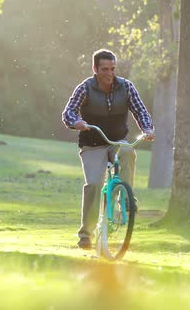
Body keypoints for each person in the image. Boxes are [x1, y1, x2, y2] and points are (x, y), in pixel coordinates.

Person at [62, 49, 155, 250]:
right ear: (95, 69)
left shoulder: (126, 87)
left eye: (112, 69)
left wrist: (147, 129)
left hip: (116, 141)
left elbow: (140, 110)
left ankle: (126, 196)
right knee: (94, 185)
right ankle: (85, 234)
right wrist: (76, 122)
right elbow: (68, 112)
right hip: (92, 143)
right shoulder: (85, 88)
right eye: (104, 69)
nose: (109, 73)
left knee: (128, 151)